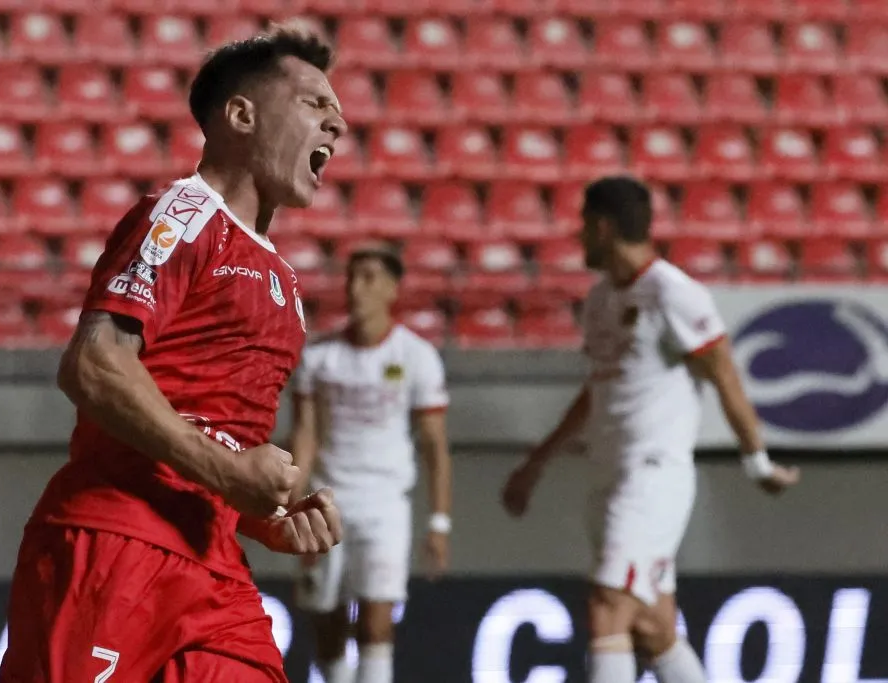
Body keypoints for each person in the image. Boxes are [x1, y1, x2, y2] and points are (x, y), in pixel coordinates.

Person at [0, 25, 348, 683]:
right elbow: (95, 365)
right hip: (117, 544)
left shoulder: (285, 284)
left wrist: (261, 514)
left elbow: (215, 431)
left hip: (212, 567)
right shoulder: (182, 214)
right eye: (314, 104)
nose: (339, 123)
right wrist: (229, 474)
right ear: (241, 116)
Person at [501, 176, 800, 683]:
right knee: (652, 626)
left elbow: (723, 371)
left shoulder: (672, 292)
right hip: (608, 476)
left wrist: (757, 462)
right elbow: (597, 389)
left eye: (582, 227)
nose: (578, 238)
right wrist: (539, 460)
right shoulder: (600, 300)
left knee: (607, 605)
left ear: (601, 227)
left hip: (652, 478)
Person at [289, 246, 452, 683]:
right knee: (326, 620)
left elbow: (435, 445)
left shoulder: (416, 357)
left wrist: (439, 522)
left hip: (385, 504)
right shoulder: (320, 358)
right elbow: (305, 434)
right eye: (352, 276)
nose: (356, 287)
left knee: (377, 620)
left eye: (369, 277)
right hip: (327, 500)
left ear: (392, 289)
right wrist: (290, 501)